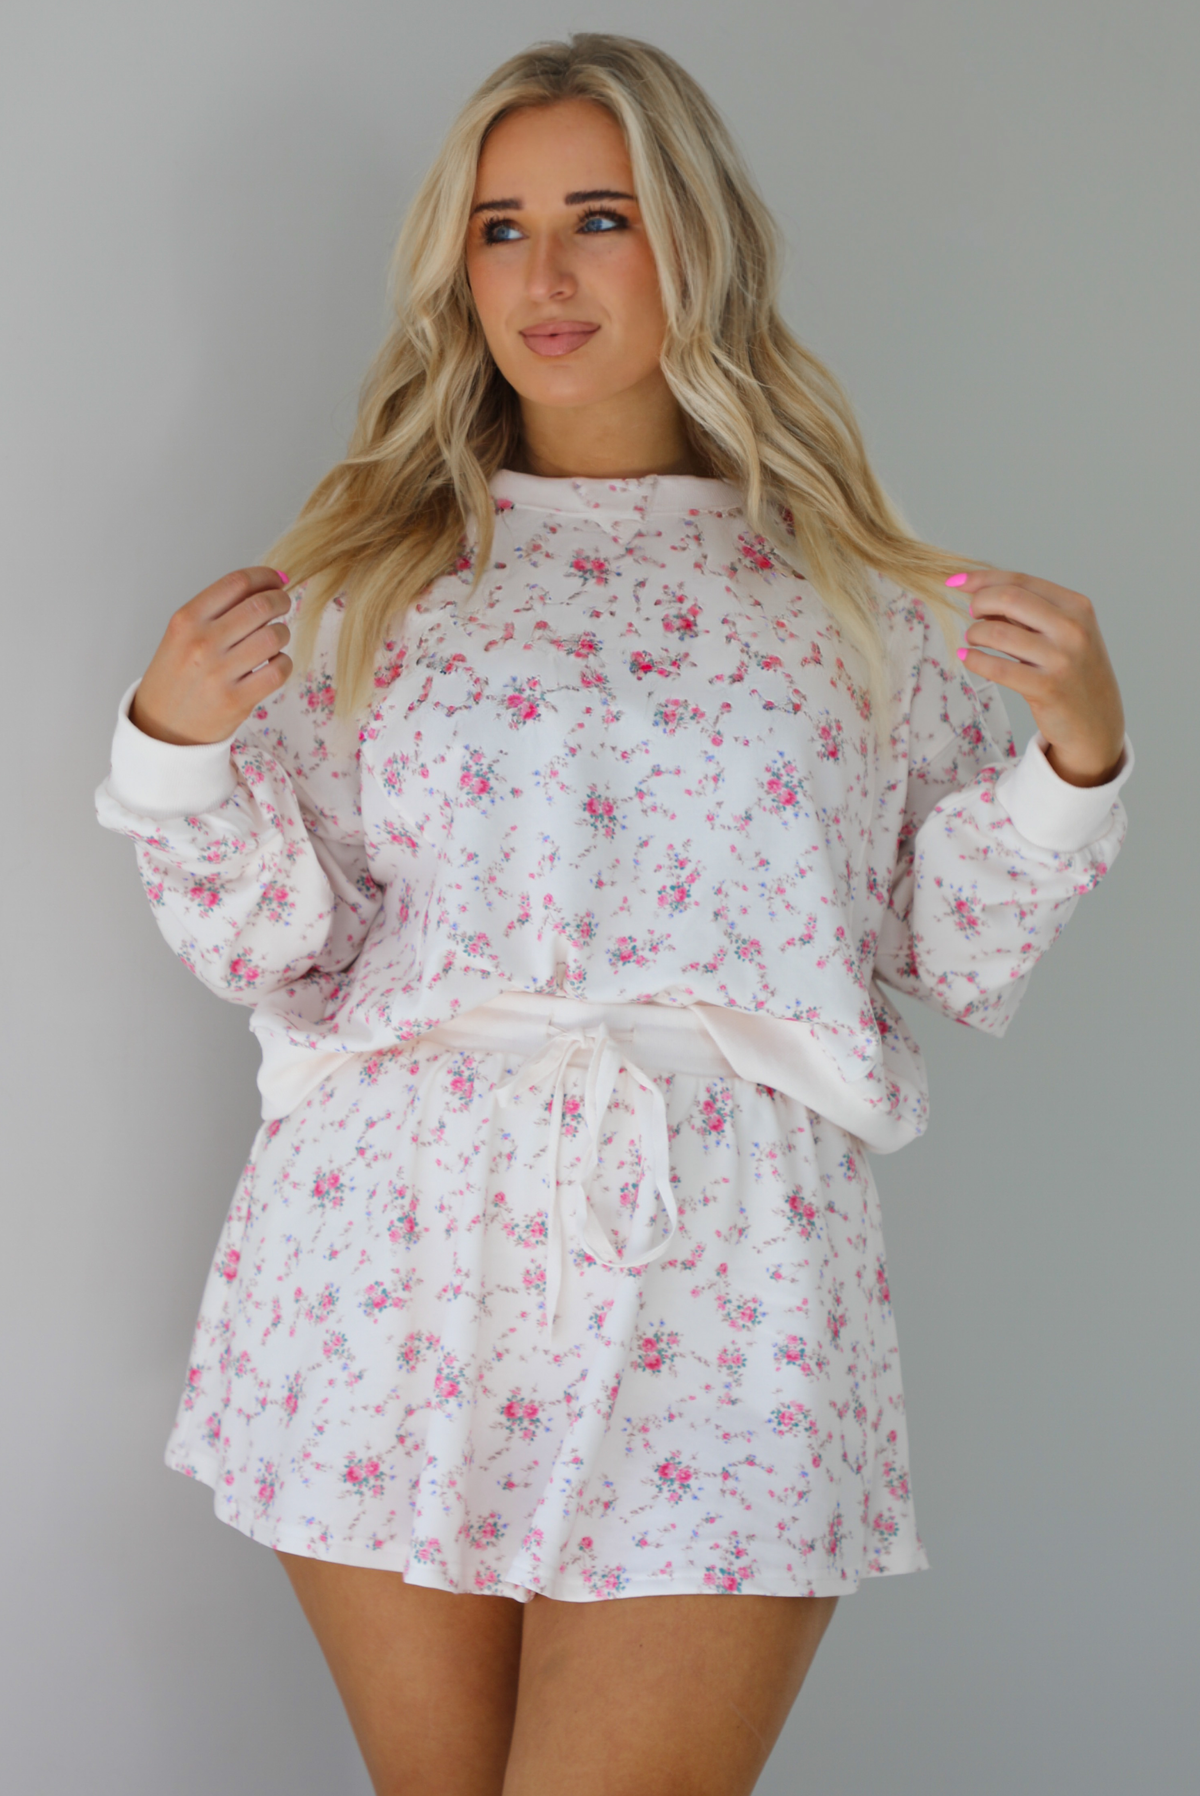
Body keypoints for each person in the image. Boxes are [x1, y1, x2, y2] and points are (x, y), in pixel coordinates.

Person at [94, 31, 1133, 1796]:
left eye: (601, 215)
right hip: (389, 1253)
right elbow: (280, 950)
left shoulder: (862, 605)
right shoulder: (371, 584)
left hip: (726, 1261)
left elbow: (947, 948)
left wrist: (1078, 757)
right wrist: (175, 750)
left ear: (698, 241)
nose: (546, 274)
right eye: (501, 229)